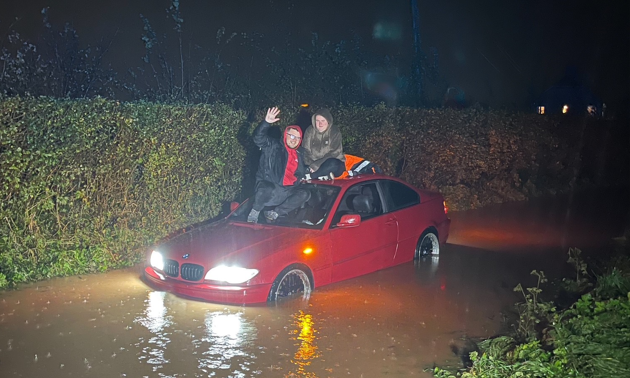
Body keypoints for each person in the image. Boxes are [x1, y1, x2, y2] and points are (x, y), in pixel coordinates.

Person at [247, 107, 310, 223]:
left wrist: (309, 172)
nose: (294, 140)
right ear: (285, 135)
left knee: (305, 194)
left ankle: (274, 213)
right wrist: (266, 123)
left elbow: (300, 172)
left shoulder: (300, 153)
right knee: (266, 188)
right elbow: (258, 138)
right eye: (291, 136)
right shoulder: (273, 146)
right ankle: (255, 212)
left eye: (297, 138)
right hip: (271, 190)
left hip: (287, 192)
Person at [302, 108, 346, 179]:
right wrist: (311, 165)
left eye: (323, 120)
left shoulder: (335, 131)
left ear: (328, 121)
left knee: (333, 164)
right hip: (312, 164)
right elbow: (305, 150)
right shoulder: (309, 130)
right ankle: (323, 175)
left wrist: (317, 165)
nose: (320, 123)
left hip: (330, 162)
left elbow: (335, 152)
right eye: (317, 121)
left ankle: (312, 176)